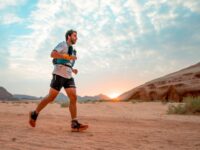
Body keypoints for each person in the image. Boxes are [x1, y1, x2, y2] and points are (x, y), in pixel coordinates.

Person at [29, 29, 88, 132]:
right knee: (51, 97)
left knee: (73, 97)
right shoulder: (63, 44)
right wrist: (64, 56)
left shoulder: (72, 50)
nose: (76, 38)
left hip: (68, 76)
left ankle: (74, 123)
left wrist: (73, 69)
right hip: (59, 74)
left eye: (76, 36)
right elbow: (52, 54)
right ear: (69, 36)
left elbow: (68, 62)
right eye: (74, 36)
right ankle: (34, 113)